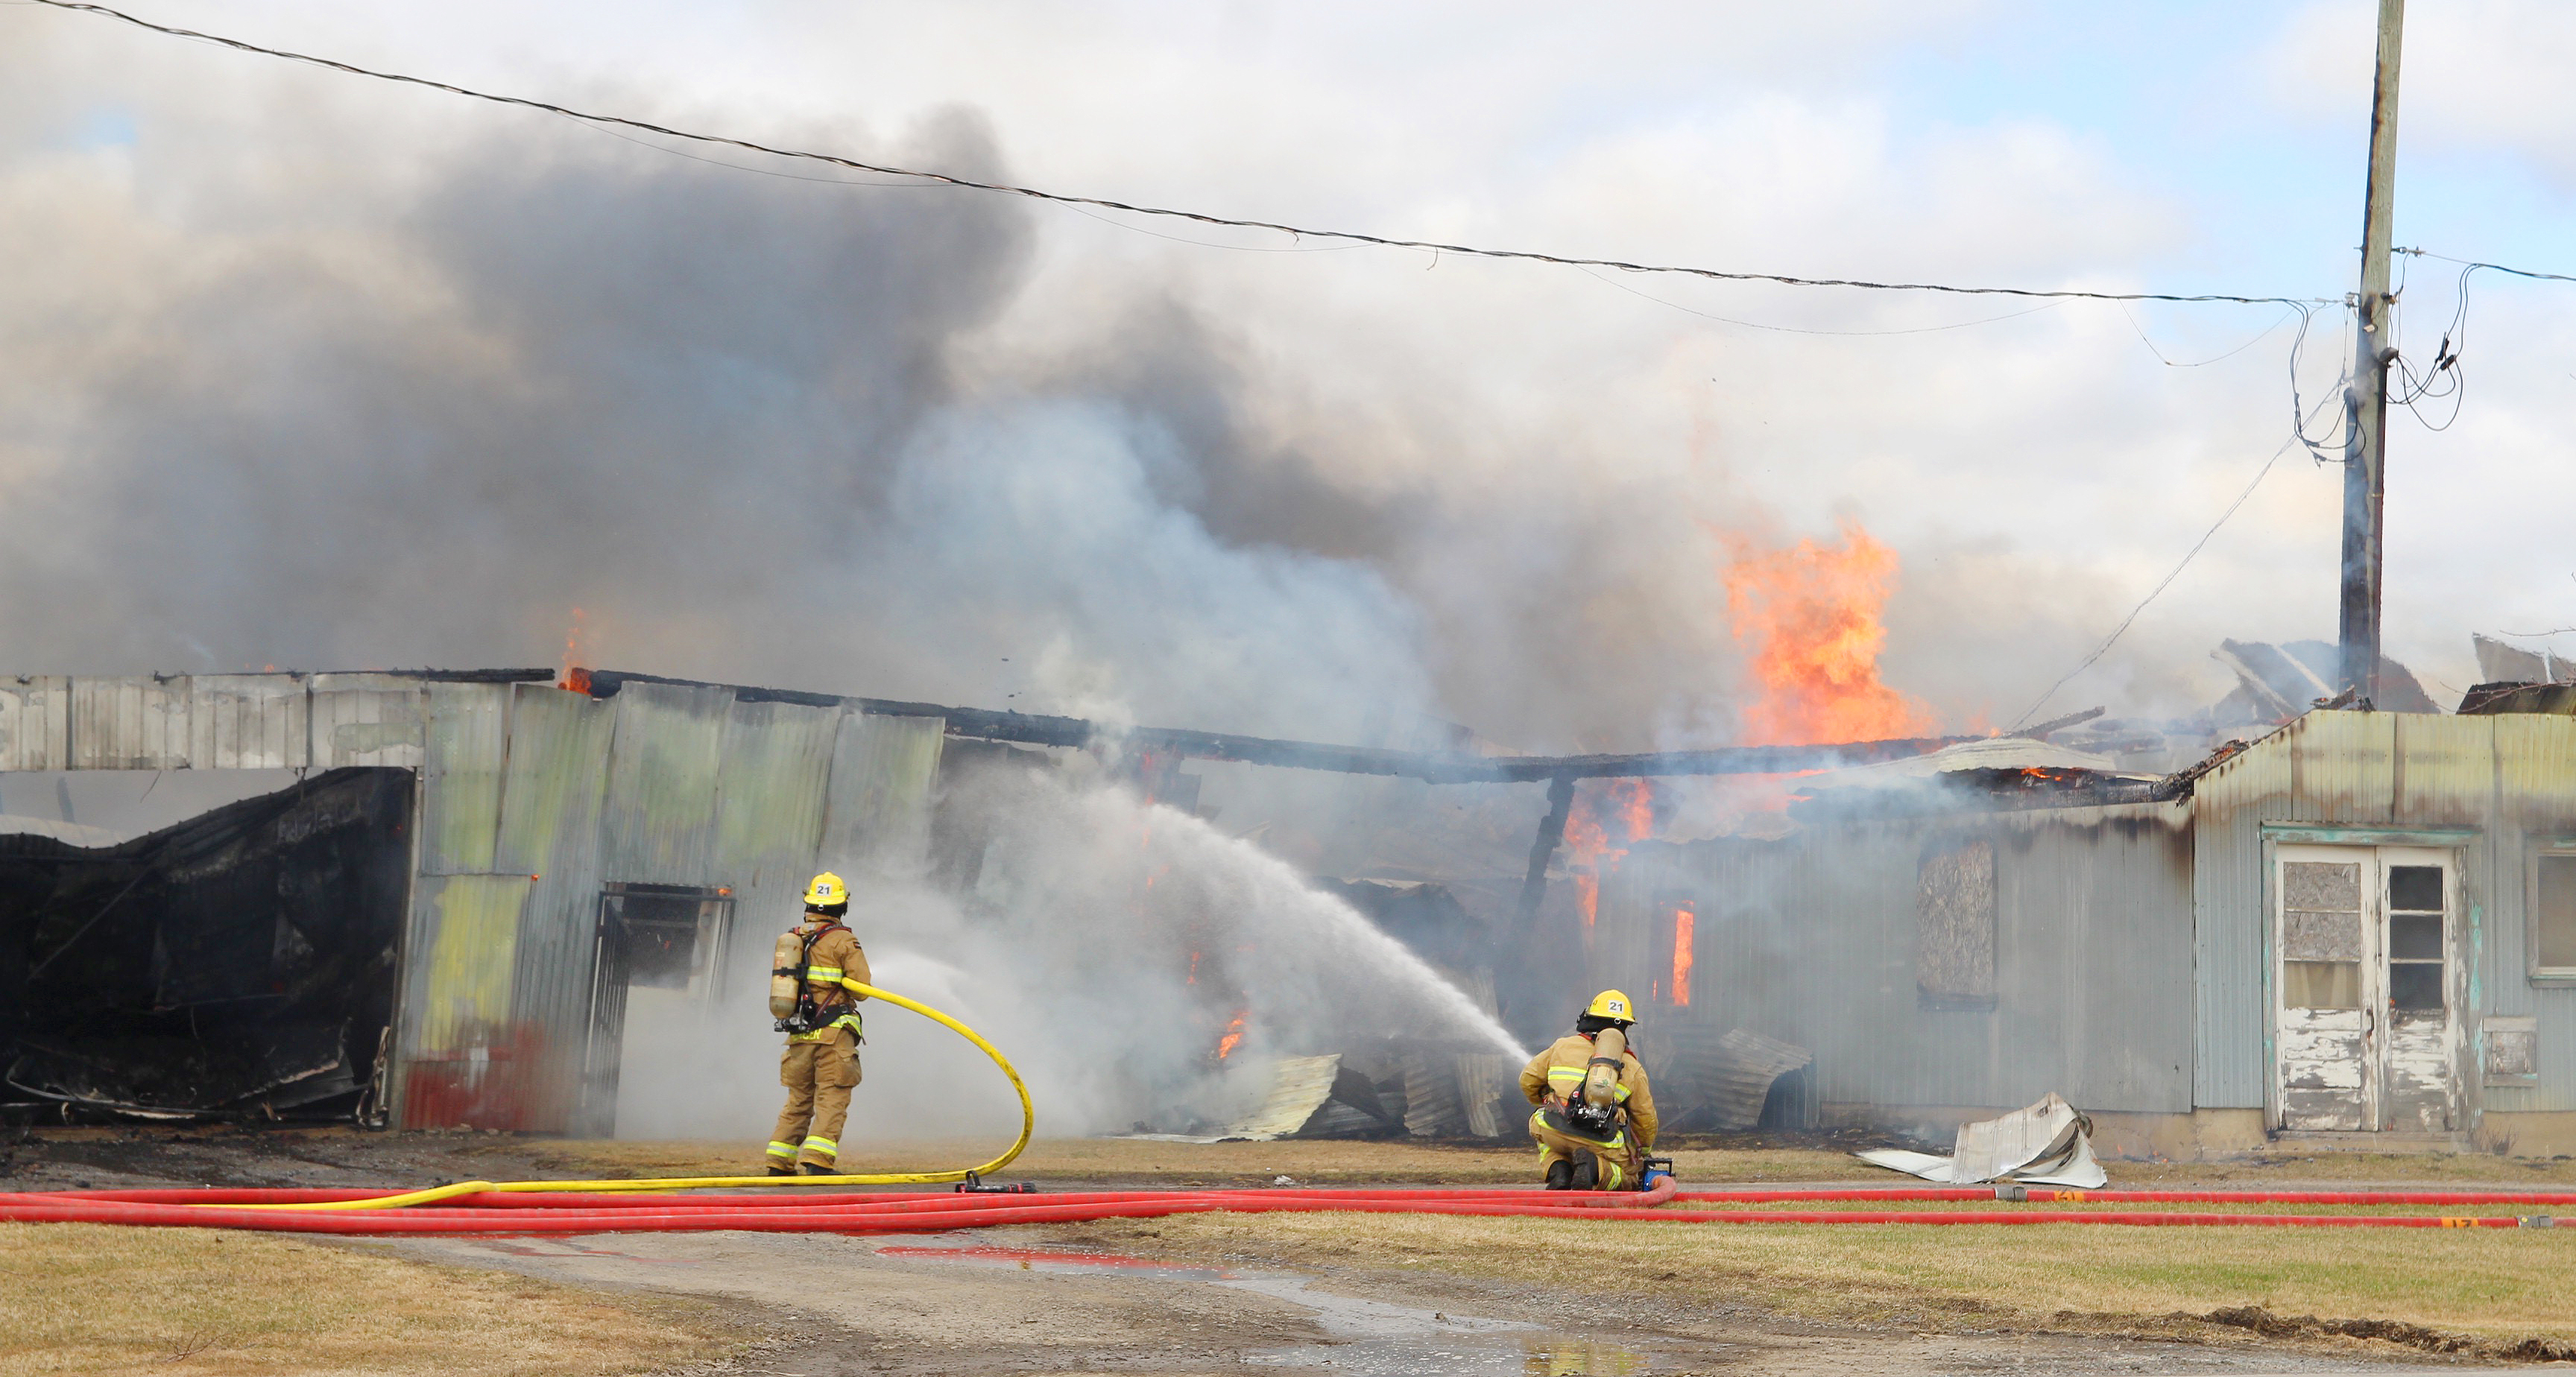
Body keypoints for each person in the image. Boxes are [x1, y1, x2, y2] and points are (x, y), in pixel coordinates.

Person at [766, 872, 870, 1176]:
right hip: (833, 1035)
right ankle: (818, 1162)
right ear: (842, 907)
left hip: (799, 1035)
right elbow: (861, 989)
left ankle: (778, 1162)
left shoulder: (794, 940)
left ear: (809, 904)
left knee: (798, 1100)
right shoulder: (843, 940)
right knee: (832, 1097)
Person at [1519, 988, 1658, 1191]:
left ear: (1590, 1017)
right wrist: (1643, 1150)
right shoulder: (1633, 1066)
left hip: (1554, 1128)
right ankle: (1594, 1168)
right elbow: (1644, 1118)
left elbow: (1527, 1080)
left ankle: (1560, 1170)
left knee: (1542, 1126)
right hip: (1601, 1140)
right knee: (1630, 1175)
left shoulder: (1562, 1047)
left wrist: (1547, 1100)